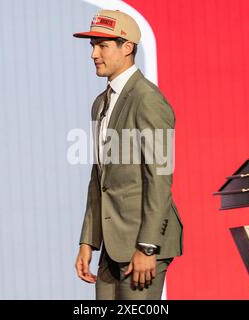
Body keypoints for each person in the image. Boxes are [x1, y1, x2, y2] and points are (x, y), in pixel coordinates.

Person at [73, 9, 183, 300]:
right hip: (111, 246)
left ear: (128, 47)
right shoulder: (101, 103)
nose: (94, 54)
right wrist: (88, 240)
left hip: (142, 246)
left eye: (102, 45)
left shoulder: (148, 99)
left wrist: (148, 246)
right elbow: (100, 179)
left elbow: (159, 178)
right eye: (92, 46)